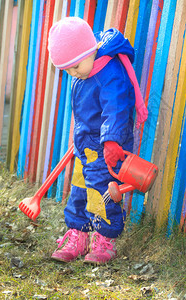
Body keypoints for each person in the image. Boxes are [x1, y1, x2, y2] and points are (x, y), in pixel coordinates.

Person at [47, 17, 147, 264]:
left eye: (75, 67)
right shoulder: (85, 68)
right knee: (79, 190)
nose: (72, 74)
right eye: (67, 70)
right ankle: (78, 235)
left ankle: (105, 239)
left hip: (107, 148)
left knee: (103, 191)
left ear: (89, 50)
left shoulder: (110, 74)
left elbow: (116, 109)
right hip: (87, 146)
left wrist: (111, 142)